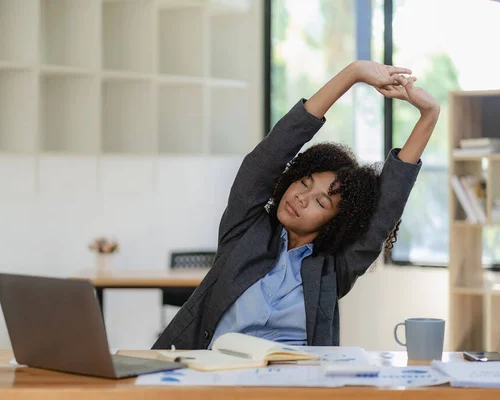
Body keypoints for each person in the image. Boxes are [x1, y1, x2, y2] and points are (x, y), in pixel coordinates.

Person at [153, 60, 440, 349]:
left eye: (320, 201)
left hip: (295, 385)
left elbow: (385, 209)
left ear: (335, 222)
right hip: (217, 380)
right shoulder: (245, 233)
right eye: (304, 182)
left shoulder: (333, 269)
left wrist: (429, 114)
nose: (301, 198)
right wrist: (353, 74)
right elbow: (268, 156)